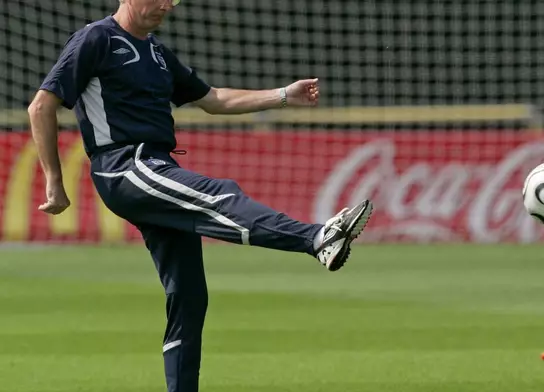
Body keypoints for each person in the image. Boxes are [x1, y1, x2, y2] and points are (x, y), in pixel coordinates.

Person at [27, 1, 373, 391]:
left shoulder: (156, 52)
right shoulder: (96, 38)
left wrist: (282, 95)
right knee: (219, 194)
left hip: (155, 165)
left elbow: (213, 99)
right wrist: (54, 180)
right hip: (125, 165)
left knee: (188, 296)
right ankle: (315, 238)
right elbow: (41, 106)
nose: (165, 5)